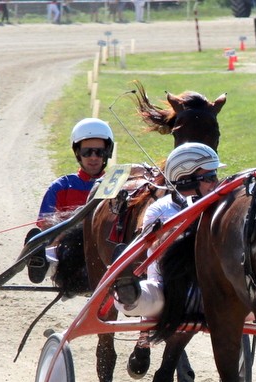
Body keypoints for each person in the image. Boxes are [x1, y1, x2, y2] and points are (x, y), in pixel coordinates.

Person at [112, 142, 224, 318]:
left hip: (212, 288)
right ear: (186, 178)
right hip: (166, 288)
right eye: (209, 177)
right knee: (130, 299)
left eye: (215, 175)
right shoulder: (159, 210)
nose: (216, 182)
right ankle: (129, 293)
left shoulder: (221, 207)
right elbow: (158, 253)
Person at [26, 118, 114, 283]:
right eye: (87, 152)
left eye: (99, 152)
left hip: (105, 254)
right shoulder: (61, 186)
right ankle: (39, 261)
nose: (93, 157)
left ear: (107, 153)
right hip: (69, 255)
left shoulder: (115, 185)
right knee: (51, 243)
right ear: (77, 153)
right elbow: (46, 227)